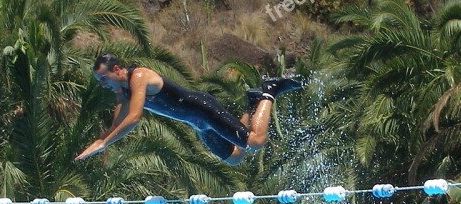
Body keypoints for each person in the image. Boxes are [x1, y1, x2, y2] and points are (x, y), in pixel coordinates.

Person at [75, 53, 302, 166]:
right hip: (198, 124)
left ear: (116, 69)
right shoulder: (123, 93)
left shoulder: (139, 76)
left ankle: (270, 90)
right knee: (234, 157)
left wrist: (105, 142)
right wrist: (98, 142)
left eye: (103, 79)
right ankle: (253, 104)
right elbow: (116, 126)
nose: (102, 85)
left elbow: (134, 118)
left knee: (254, 143)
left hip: (203, 109)